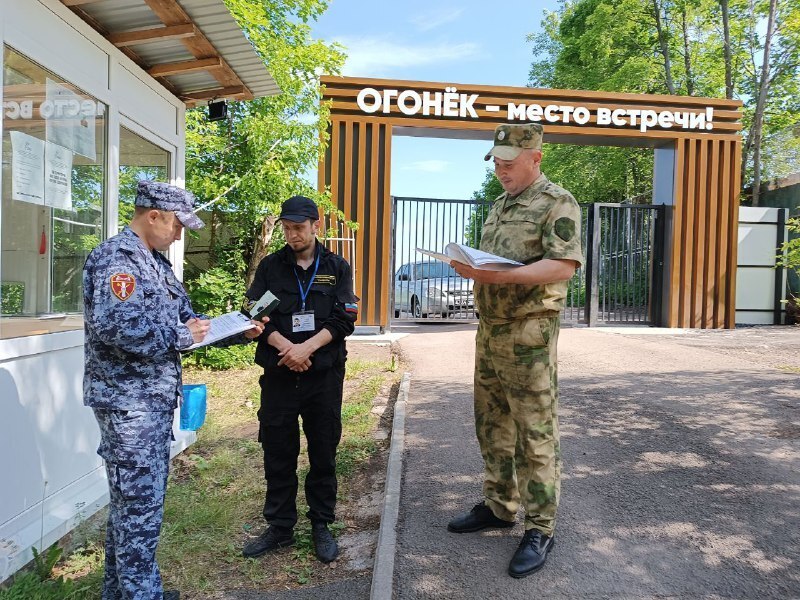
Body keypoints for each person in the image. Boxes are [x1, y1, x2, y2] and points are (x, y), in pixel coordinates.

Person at [83, 181, 265, 600]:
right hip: (129, 405)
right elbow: (116, 329)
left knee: (131, 510)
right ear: (153, 216)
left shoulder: (157, 263)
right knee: (140, 512)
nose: (181, 233)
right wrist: (182, 335)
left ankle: (120, 592)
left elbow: (189, 322)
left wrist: (238, 331)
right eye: (177, 224)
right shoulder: (118, 259)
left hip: (149, 403)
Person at [448, 123, 583, 578]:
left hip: (528, 337)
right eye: (497, 164)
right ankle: (499, 505)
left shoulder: (556, 203)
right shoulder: (500, 207)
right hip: (490, 333)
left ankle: (540, 527)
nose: (501, 171)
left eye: (508, 164)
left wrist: (498, 277)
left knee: (534, 435)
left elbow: (563, 265)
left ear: (535, 158)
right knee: (491, 425)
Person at [241, 195, 359, 564]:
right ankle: (280, 526)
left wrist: (305, 349)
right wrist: (286, 350)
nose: (292, 235)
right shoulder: (271, 268)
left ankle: (321, 523)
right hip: (279, 375)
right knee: (278, 450)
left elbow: (344, 318)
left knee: (323, 450)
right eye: (287, 228)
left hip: (322, 377)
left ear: (316, 225)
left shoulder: (337, 267)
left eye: (298, 228)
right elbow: (254, 313)